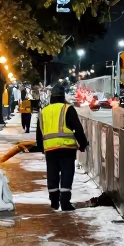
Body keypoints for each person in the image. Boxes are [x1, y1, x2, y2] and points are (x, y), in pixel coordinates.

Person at [36, 82, 88, 210]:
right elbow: (77, 128)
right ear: (62, 96)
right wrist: (82, 144)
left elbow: (39, 131)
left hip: (50, 149)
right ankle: (65, 202)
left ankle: (54, 202)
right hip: (66, 148)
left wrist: (41, 147)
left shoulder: (44, 111)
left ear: (51, 97)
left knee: (52, 174)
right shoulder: (68, 108)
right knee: (67, 173)